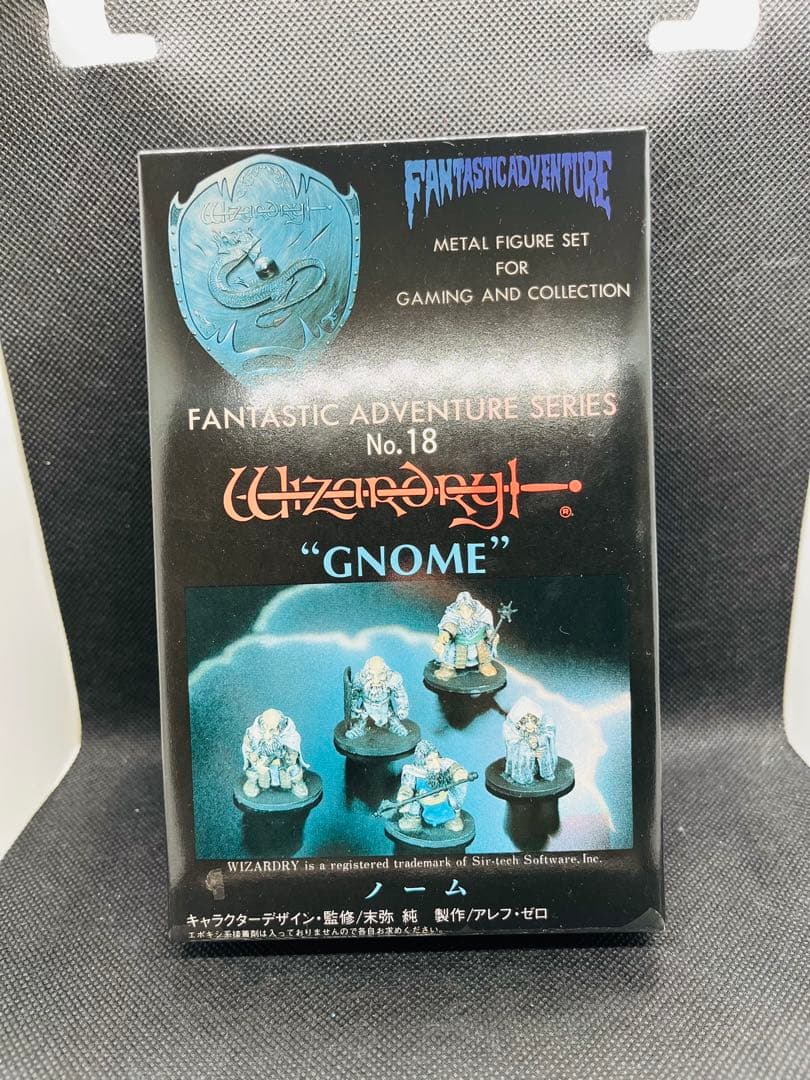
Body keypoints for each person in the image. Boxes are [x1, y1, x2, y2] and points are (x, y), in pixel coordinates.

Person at [397, 740, 469, 832]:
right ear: (422, 761)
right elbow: (407, 787)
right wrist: (405, 795)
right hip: (422, 800)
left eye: (436, 758)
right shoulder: (412, 771)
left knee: (452, 801)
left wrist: (458, 773)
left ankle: (453, 818)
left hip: (443, 800)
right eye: (430, 760)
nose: (436, 764)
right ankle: (412, 819)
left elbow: (452, 767)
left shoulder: (443, 764)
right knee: (414, 803)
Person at [241, 708, 309, 799]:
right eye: (265, 729)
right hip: (262, 759)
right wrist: (257, 763)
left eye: (272, 730)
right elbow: (249, 750)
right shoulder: (253, 733)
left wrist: (289, 759)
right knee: (253, 770)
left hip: (282, 760)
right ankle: (252, 782)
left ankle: (297, 783)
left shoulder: (289, 735)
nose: (268, 735)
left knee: (294, 770)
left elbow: (293, 751)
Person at [432, 591, 499, 680]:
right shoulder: (453, 617)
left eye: (468, 609)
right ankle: (448, 669)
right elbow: (449, 627)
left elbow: (489, 629)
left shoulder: (482, 615)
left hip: (478, 644)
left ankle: (484, 665)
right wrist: (442, 639)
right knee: (451, 656)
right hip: (459, 646)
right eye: (462, 610)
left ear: (473, 609)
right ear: (458, 610)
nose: (465, 613)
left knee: (484, 654)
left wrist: (492, 635)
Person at [347, 656, 410, 739]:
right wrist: (354, 708)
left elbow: (400, 694)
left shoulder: (392, 678)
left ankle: (394, 725)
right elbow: (354, 695)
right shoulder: (360, 678)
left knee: (391, 717)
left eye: (380, 673)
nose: (376, 678)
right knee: (362, 719)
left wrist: (402, 709)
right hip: (366, 705)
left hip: (385, 705)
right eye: (372, 674)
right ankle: (359, 727)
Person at [503, 697, 557, 784]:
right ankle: (525, 776)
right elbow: (514, 746)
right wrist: (531, 752)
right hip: (522, 765)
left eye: (533, 721)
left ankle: (541, 771)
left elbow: (548, 733)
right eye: (525, 722)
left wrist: (539, 740)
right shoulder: (512, 732)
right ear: (518, 724)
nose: (530, 725)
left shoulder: (544, 724)